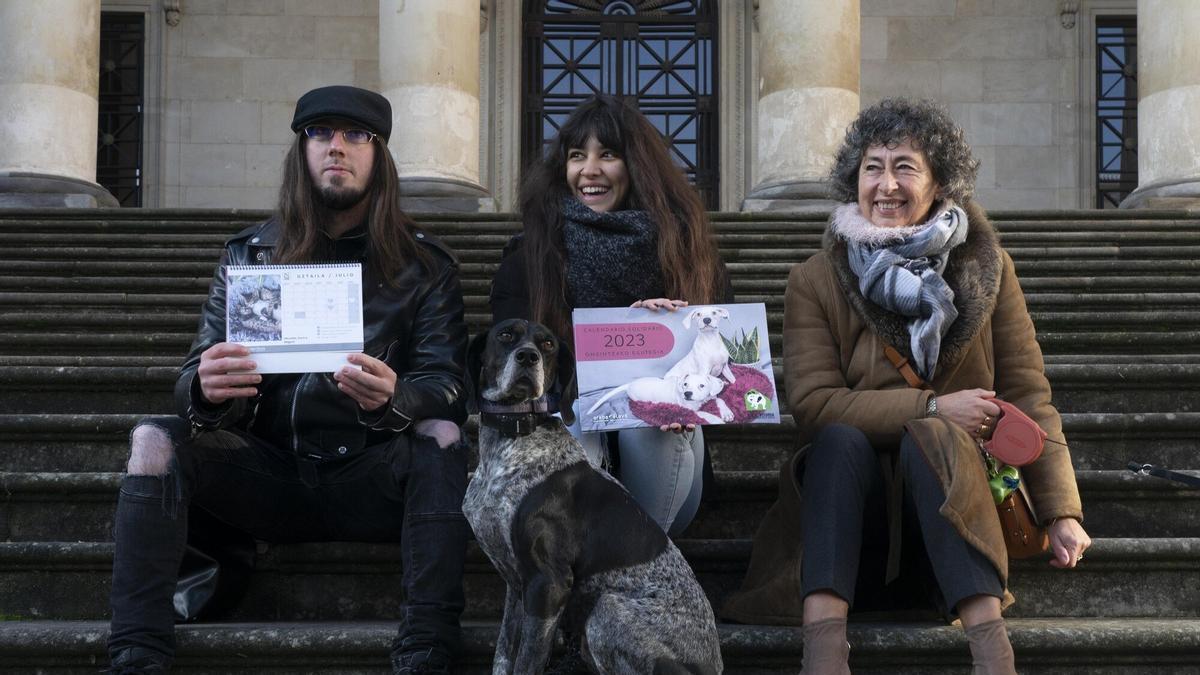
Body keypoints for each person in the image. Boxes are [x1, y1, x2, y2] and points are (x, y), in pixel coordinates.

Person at [106, 86, 470, 675]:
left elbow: (449, 385)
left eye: (357, 136)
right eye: (321, 133)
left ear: (380, 156)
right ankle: (136, 654)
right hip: (270, 471)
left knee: (444, 438)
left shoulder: (424, 267)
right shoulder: (250, 255)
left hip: (372, 475)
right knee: (153, 439)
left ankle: (427, 647)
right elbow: (193, 372)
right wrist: (205, 387)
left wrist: (393, 398)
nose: (337, 148)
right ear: (301, 151)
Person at [721, 99, 1092, 674]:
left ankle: (993, 656)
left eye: (905, 167)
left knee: (936, 440)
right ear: (854, 179)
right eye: (873, 167)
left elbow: (1027, 392)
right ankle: (823, 655)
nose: (886, 185)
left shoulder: (987, 270)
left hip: (947, 522)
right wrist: (936, 404)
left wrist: (1060, 510)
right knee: (842, 439)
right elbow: (814, 404)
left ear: (939, 181)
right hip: (847, 527)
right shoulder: (816, 278)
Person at [489, 94, 731, 537]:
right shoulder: (528, 259)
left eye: (608, 155)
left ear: (637, 166)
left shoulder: (689, 255)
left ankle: (628, 565)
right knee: (571, 419)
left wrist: (674, 324)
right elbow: (512, 368)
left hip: (668, 460)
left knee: (650, 420)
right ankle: (608, 572)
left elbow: (727, 357)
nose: (590, 170)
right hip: (575, 437)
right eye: (577, 156)